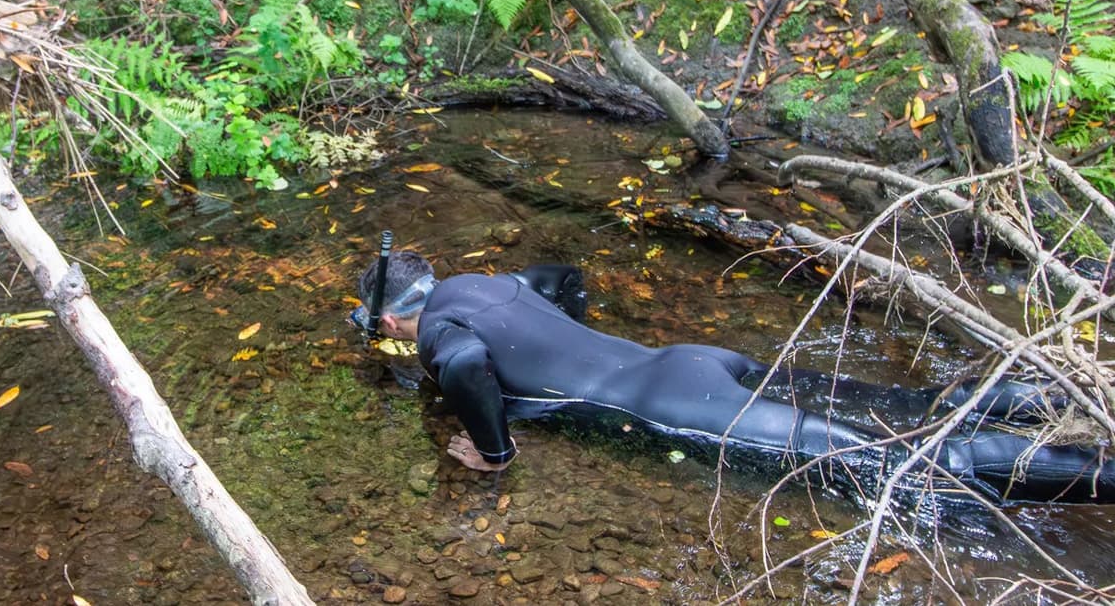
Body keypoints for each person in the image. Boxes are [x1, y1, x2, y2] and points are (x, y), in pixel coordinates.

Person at [351, 251, 1115, 504]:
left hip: (683, 403)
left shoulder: (441, 331)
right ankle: (1065, 400)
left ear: (388, 321)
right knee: (914, 407)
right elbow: (565, 278)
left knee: (903, 464)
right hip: (698, 360)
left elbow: (463, 366)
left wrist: (495, 450)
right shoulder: (491, 280)